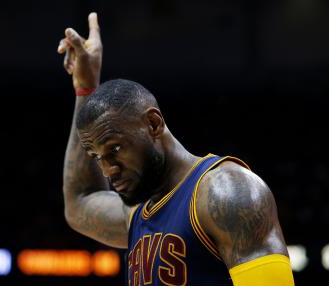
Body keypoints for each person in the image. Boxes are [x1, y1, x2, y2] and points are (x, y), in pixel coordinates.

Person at [57, 12, 295, 286]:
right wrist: (85, 89)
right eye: (97, 157)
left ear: (154, 124)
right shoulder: (138, 211)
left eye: (115, 148)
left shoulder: (225, 192)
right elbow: (80, 202)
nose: (108, 169)